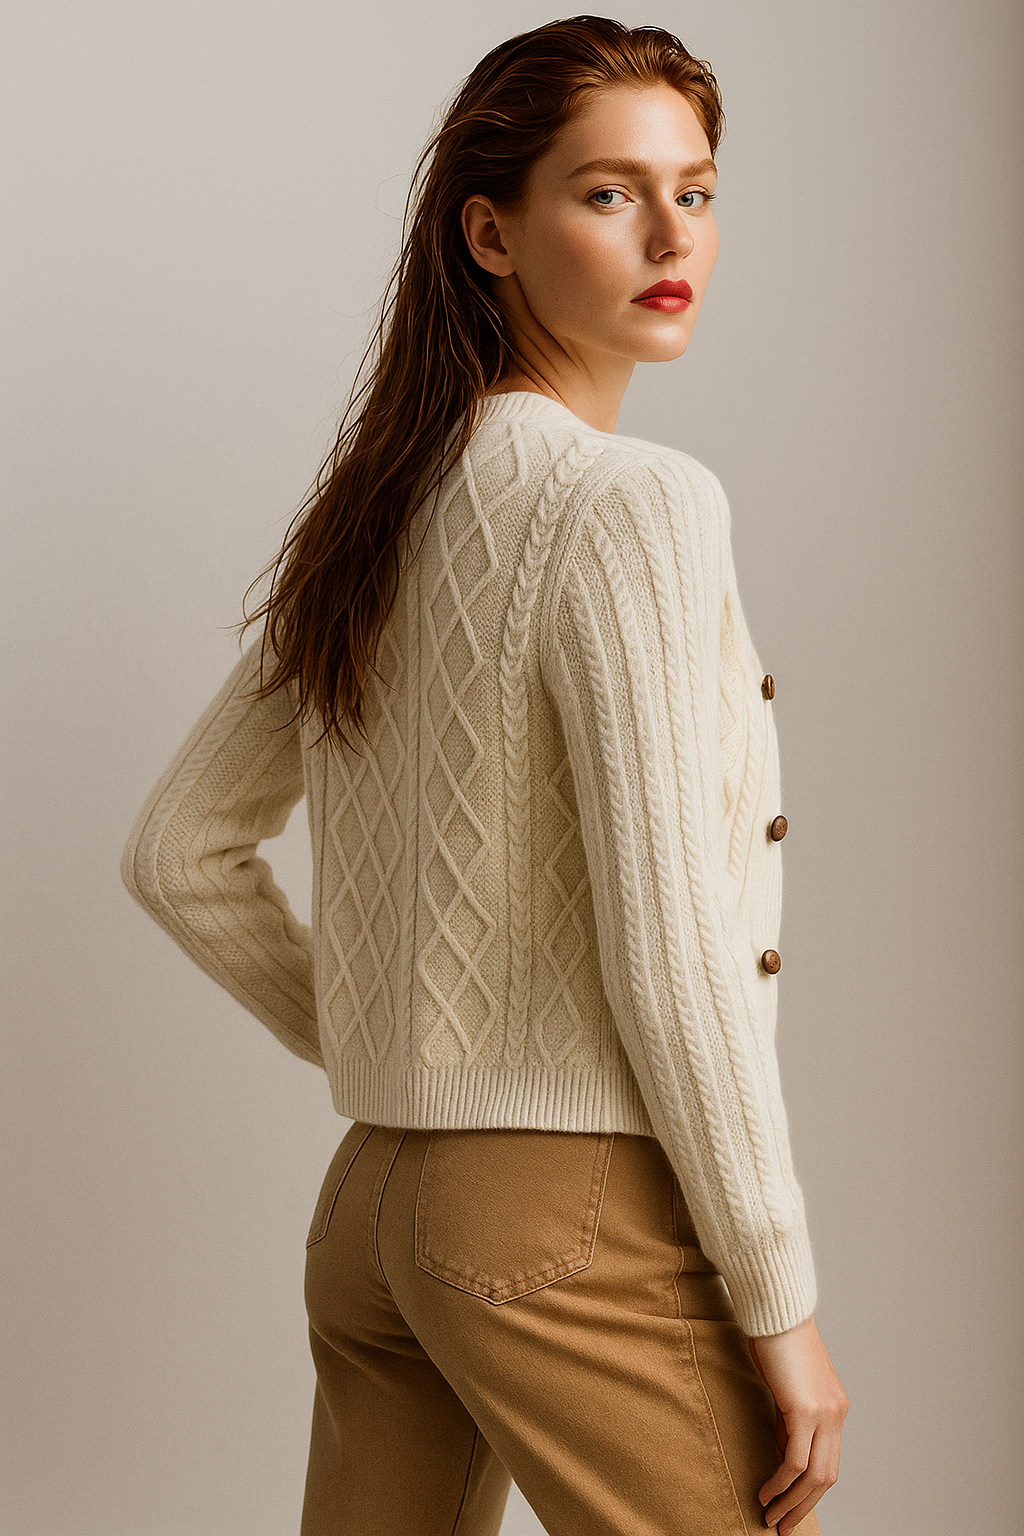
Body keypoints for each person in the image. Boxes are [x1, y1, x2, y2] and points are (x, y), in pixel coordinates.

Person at [121, 15, 848, 1536]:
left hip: (376, 1204)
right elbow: (672, 948)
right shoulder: (630, 503)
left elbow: (180, 851)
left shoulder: (379, 510)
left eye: (697, 193)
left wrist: (410, 1056)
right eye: (608, 192)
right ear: (489, 233)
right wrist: (781, 1304)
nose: (671, 237)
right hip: (562, 1219)